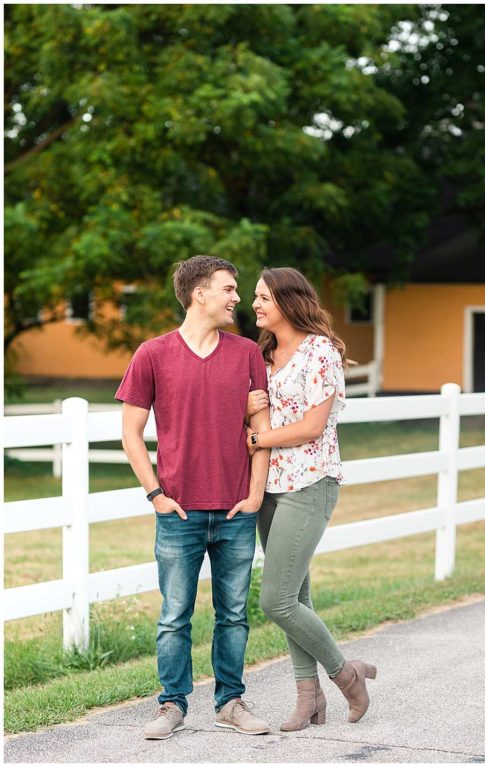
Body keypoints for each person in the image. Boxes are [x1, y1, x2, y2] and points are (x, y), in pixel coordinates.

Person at [118, 255, 272, 740]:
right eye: (228, 289)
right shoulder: (152, 354)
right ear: (199, 294)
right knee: (174, 616)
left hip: (235, 511)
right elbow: (130, 433)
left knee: (233, 614)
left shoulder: (246, 352)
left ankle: (230, 702)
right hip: (178, 511)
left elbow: (261, 430)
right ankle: (171, 705)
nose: (236, 298)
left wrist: (253, 496)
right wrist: (156, 494)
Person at [243, 267, 377, 731]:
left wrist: (259, 440)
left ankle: (347, 676)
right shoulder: (262, 354)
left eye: (262, 297)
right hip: (269, 487)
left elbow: (313, 427)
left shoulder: (320, 351)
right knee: (296, 596)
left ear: (287, 300)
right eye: (253, 298)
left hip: (310, 481)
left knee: (276, 600)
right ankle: (309, 698)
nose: (254, 304)